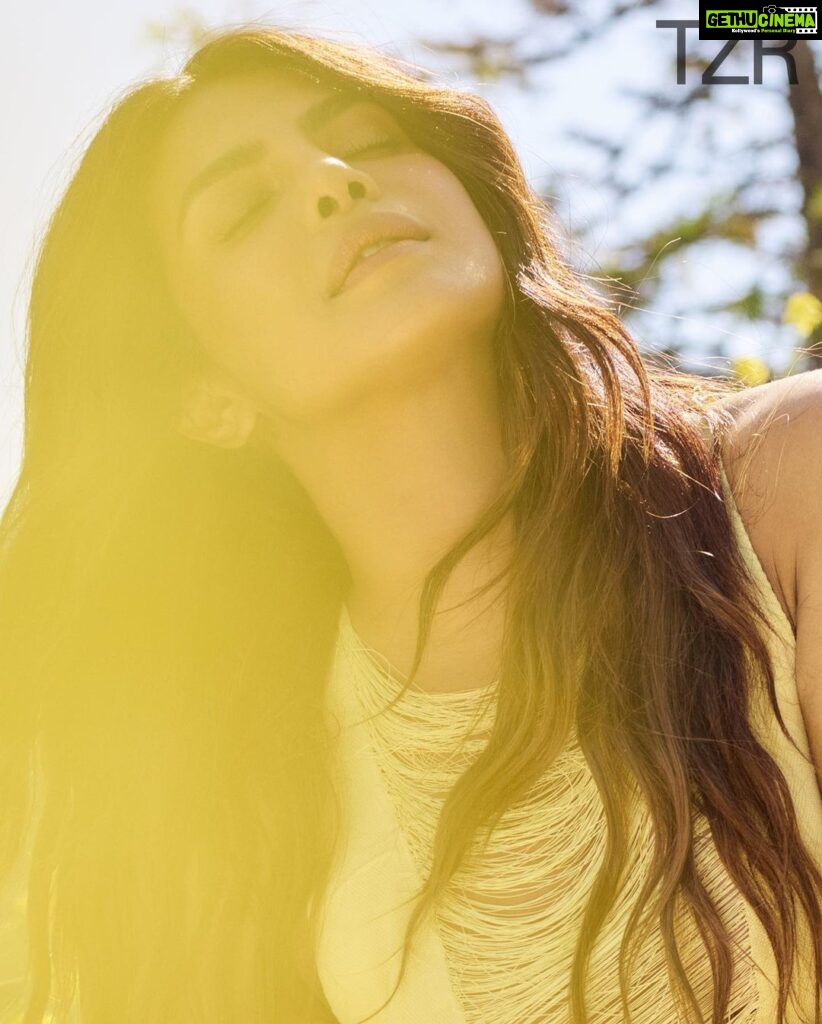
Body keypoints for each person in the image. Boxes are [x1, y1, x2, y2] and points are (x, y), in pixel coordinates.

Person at [0, 24, 819, 1024]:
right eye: (248, 206)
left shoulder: (784, 482)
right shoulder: (258, 790)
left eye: (372, 138)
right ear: (205, 397)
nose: (337, 179)